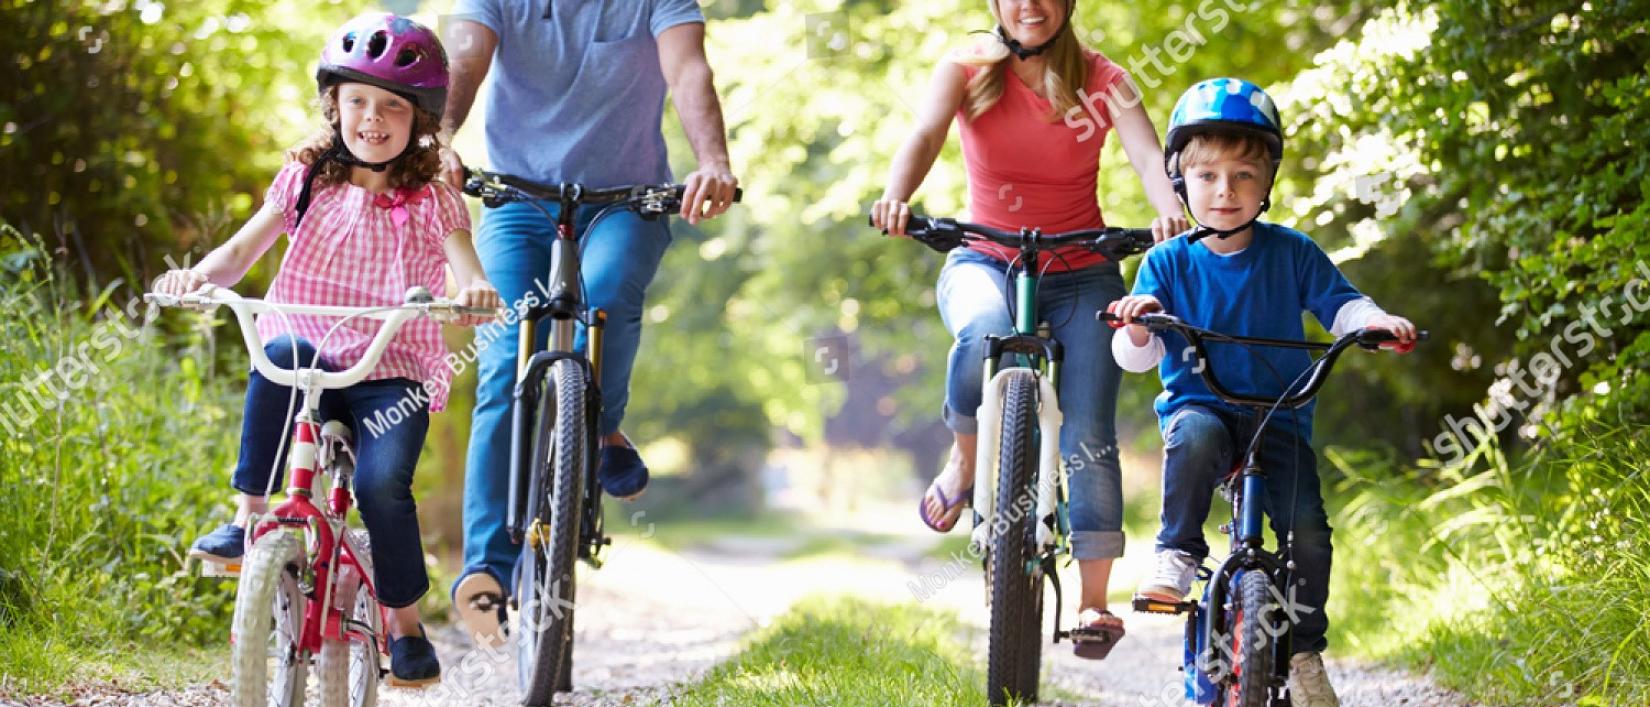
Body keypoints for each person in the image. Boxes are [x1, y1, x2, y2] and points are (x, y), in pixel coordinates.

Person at [155, 13, 502, 686]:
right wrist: (195, 277)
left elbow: (468, 272)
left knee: (380, 485)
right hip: (309, 358)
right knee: (278, 347)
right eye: (358, 100)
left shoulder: (433, 200)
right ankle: (249, 516)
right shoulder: (305, 179)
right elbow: (239, 253)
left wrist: (477, 292)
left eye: (392, 106)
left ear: (420, 118)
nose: (372, 118)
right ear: (334, 105)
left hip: (390, 371)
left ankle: (404, 623)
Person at [869, 0, 1189, 659]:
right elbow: (925, 135)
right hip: (985, 258)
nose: (1029, 5)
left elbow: (1147, 156)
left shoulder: (1104, 80)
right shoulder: (967, 68)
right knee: (981, 333)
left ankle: (1094, 601)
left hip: (1081, 269)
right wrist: (897, 194)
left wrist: (1170, 213)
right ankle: (965, 460)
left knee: (1089, 432)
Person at [1108, 77, 1418, 705]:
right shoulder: (1167, 261)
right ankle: (1177, 552)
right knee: (1195, 438)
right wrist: (1139, 323)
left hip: (1280, 416)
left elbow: (1343, 306)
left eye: (1244, 175)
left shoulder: (1292, 252)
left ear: (1268, 181)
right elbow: (1136, 357)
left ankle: (1302, 654)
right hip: (1203, 406)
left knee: (1308, 533)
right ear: (1180, 181)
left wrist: (1374, 323)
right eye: (1208, 176)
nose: (1225, 190)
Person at [439, 0, 740, 645]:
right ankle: (486, 570)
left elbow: (689, 69)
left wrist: (712, 159)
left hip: (625, 201)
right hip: (517, 199)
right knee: (504, 360)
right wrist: (439, 138)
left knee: (604, 296)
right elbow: (464, 58)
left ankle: (598, 427)